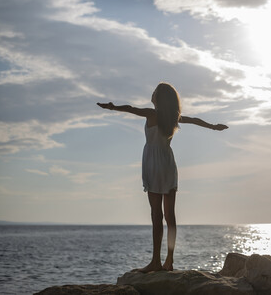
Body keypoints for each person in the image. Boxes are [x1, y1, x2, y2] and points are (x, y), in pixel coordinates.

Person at [97, 82, 228, 272]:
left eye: (155, 92)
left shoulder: (153, 114)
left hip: (153, 165)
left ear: (159, 97)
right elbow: (194, 120)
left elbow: (130, 109)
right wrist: (214, 127)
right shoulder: (173, 118)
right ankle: (169, 262)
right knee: (170, 217)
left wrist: (112, 107)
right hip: (167, 164)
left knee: (156, 216)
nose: (152, 93)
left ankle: (155, 262)